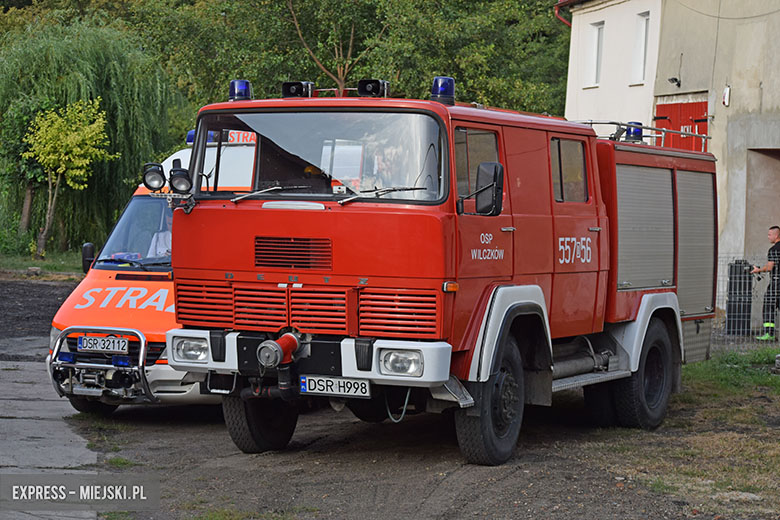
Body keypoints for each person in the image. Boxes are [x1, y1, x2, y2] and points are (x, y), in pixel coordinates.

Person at [750, 225, 780, 340]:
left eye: (769, 234)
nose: (768, 237)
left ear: (776, 235)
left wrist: (758, 270)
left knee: (768, 306)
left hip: (776, 283)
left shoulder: (774, 250)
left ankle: (769, 334)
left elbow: (769, 267)